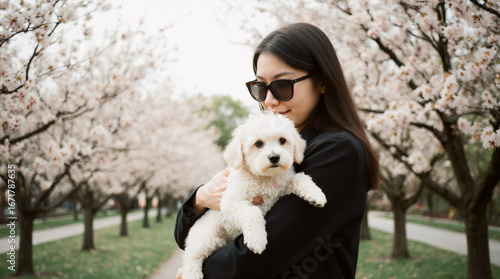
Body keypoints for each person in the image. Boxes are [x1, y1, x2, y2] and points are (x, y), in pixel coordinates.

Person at [174, 22, 379, 279]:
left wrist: (201, 273)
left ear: (323, 82)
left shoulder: (338, 152)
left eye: (283, 85)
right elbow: (185, 238)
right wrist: (199, 201)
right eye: (261, 87)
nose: (269, 100)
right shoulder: (263, 143)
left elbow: (268, 251)